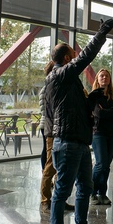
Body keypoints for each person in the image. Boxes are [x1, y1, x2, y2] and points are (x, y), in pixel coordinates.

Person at [44, 18, 113, 224]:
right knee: (62, 192)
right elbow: (86, 57)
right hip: (67, 141)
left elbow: (74, 108)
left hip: (80, 142)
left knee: (85, 187)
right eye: (72, 56)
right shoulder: (59, 75)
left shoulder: (68, 81)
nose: (76, 59)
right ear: (66, 59)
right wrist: (102, 32)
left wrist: (92, 97)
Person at [88, 69, 113, 205]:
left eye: (107, 76)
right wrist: (111, 111)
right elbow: (99, 114)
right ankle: (92, 192)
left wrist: (107, 111)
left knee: (107, 166)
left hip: (112, 133)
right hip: (98, 133)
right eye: (101, 76)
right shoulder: (94, 96)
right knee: (100, 164)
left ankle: (102, 193)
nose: (104, 78)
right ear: (97, 79)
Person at [38, 84, 74, 214]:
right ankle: (45, 201)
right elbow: (48, 110)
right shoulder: (48, 88)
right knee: (50, 165)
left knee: (61, 166)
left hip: (62, 130)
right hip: (52, 131)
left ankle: (60, 200)